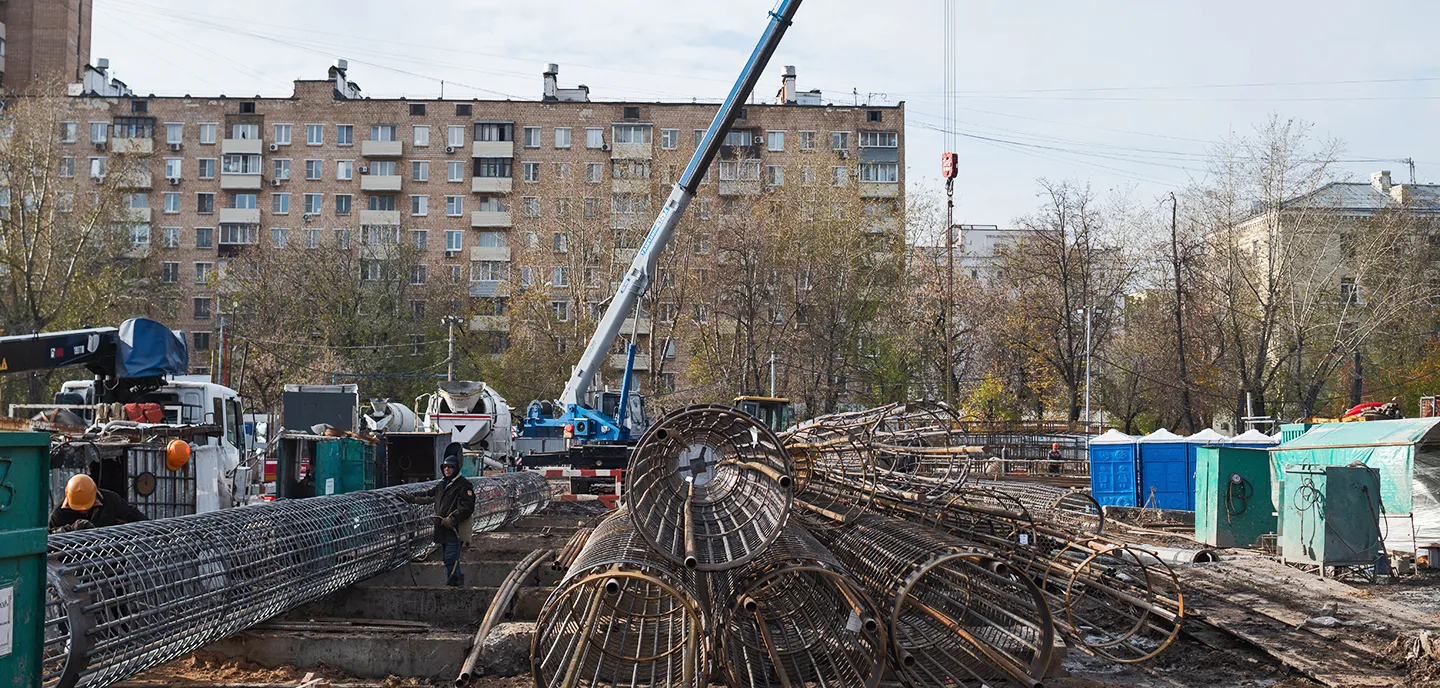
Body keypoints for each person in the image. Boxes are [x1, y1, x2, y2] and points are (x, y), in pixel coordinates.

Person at [400, 451, 475, 586]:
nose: (447, 469)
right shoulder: (442, 485)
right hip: (443, 530)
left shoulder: (464, 485)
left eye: (450, 467)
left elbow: (467, 508)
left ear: (456, 468)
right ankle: (456, 584)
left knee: (451, 558)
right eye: (445, 467)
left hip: (455, 530)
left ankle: (455, 585)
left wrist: (452, 519)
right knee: (448, 560)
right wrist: (408, 497)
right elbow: (428, 496)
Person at [49, 474, 149, 533]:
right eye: (78, 509)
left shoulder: (111, 500)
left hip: (109, 559)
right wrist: (71, 529)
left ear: (95, 493)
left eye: (87, 507)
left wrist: (155, 530)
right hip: (74, 562)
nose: (83, 511)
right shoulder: (59, 512)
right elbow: (49, 538)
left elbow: (133, 515)